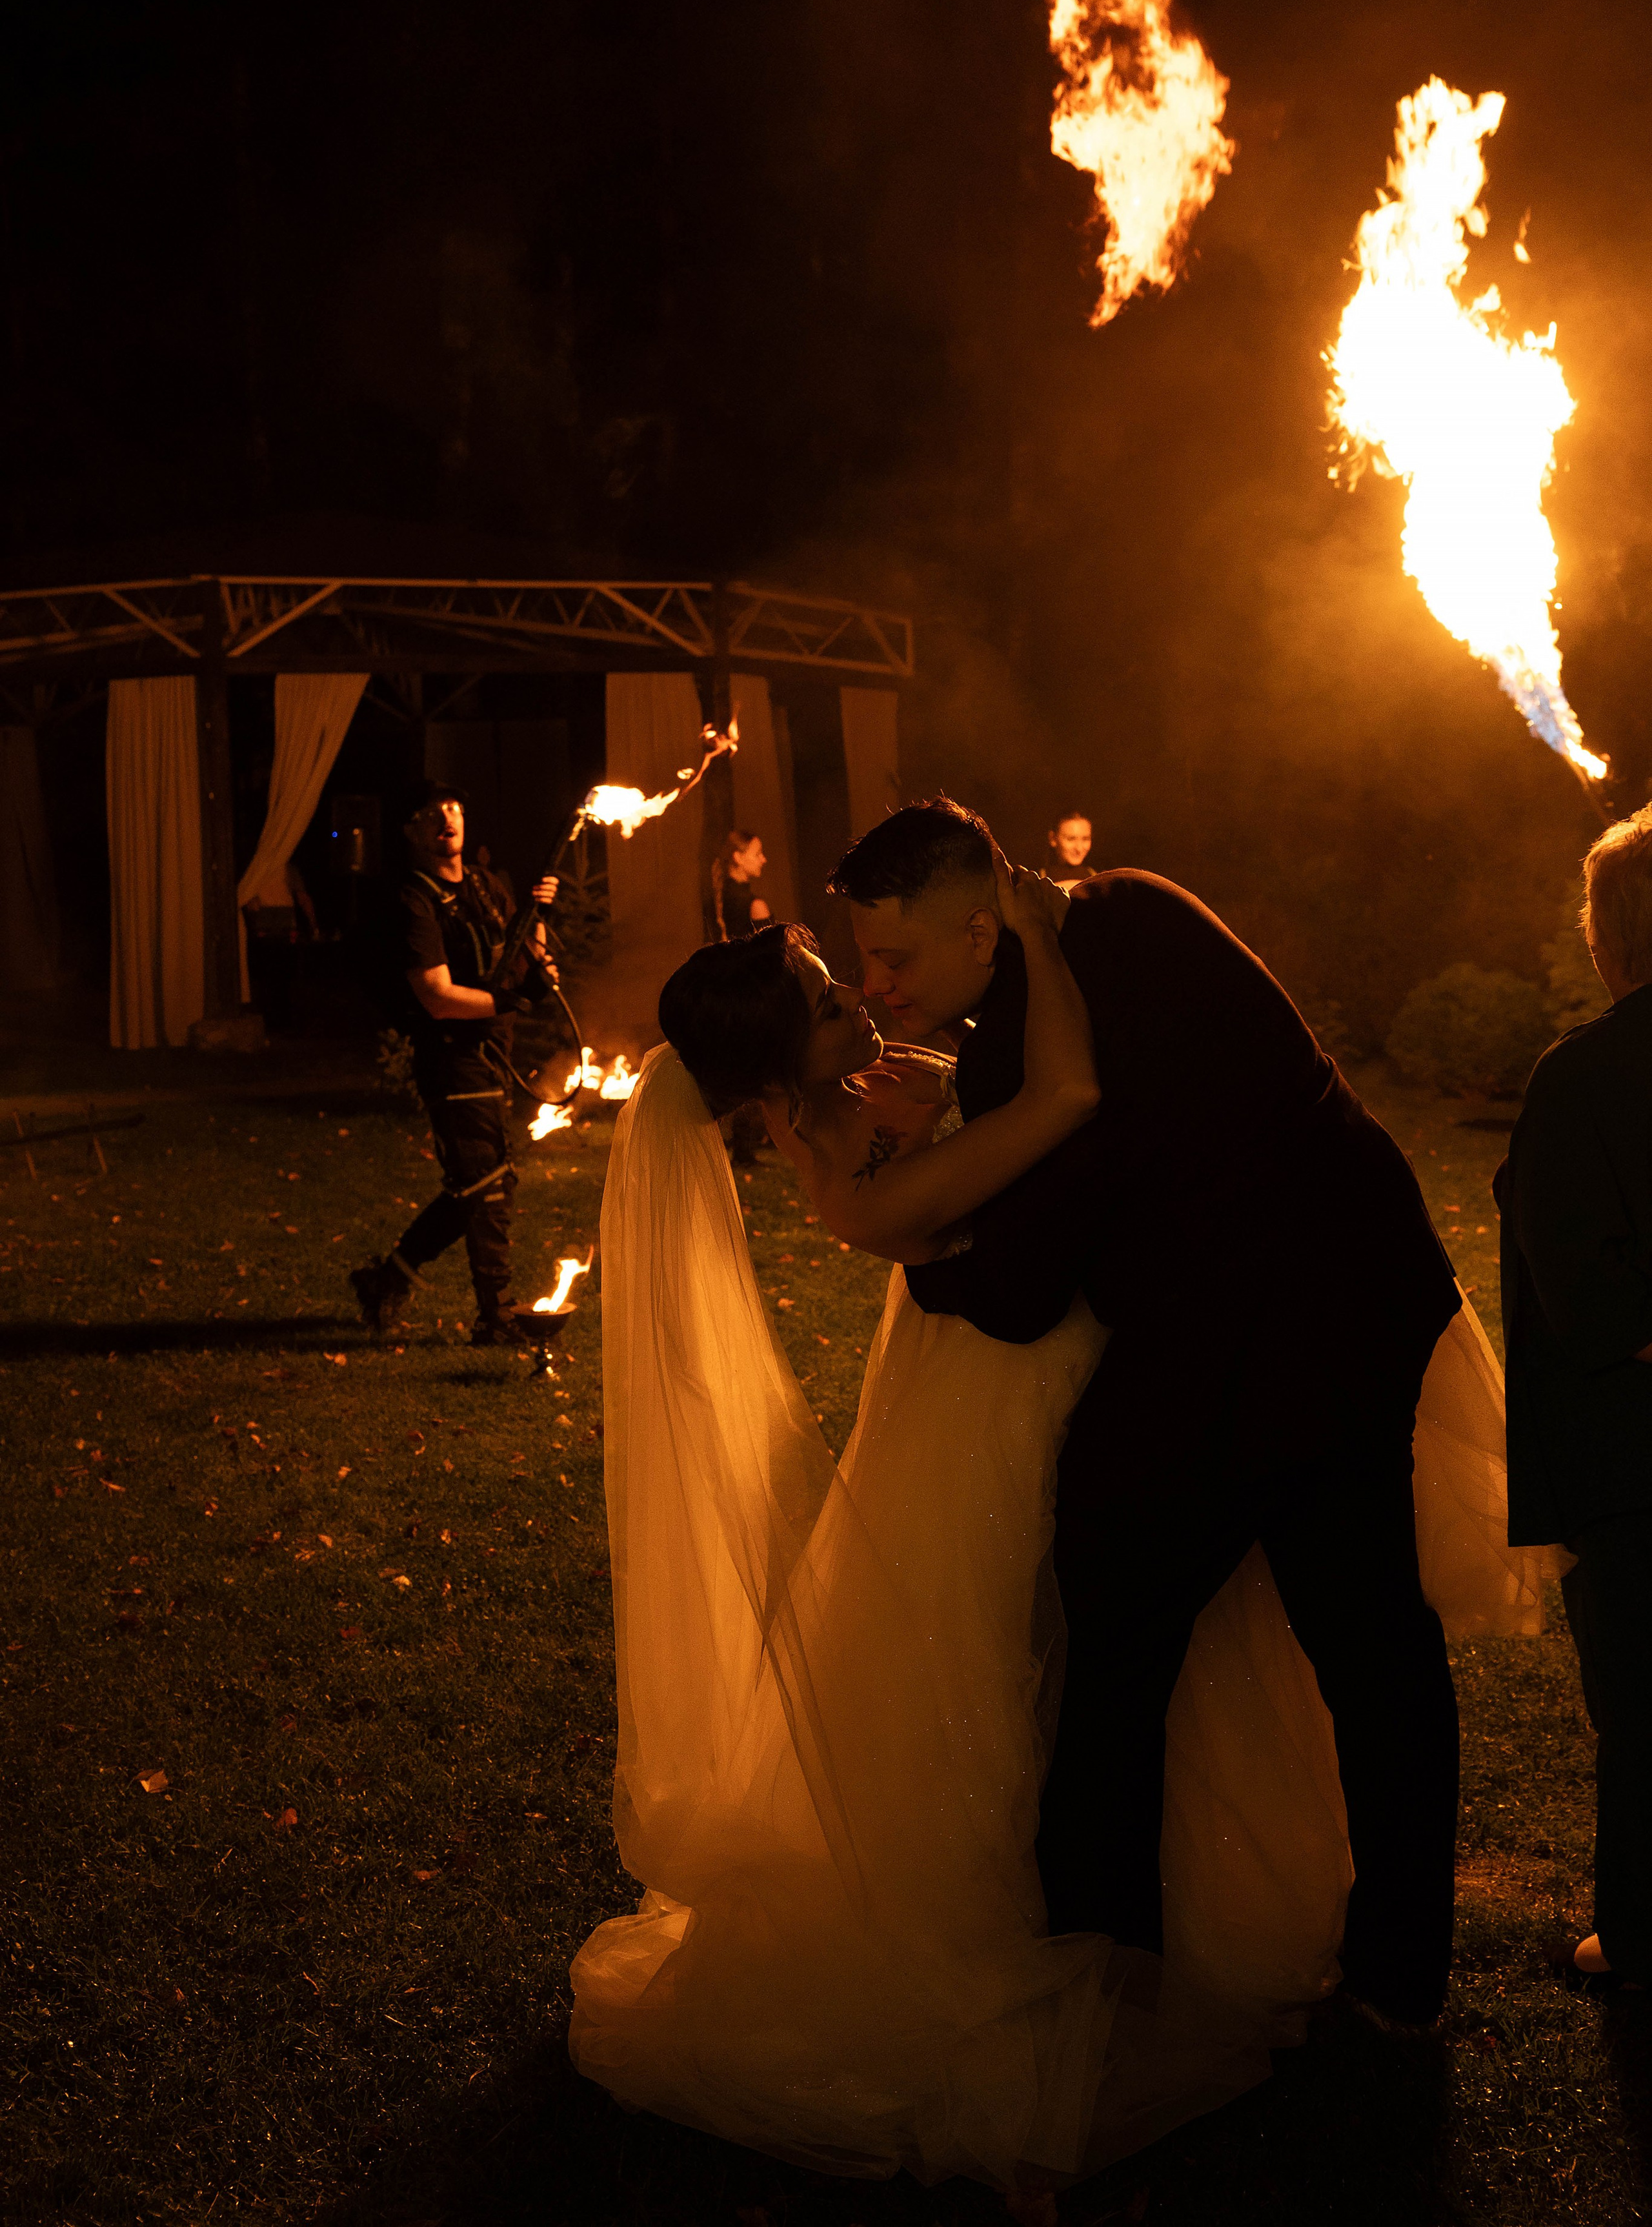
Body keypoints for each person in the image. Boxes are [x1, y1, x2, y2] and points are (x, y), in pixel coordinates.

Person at [569, 887, 1548, 2195]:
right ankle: (1085, 1944)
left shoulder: (883, 1085)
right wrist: (1031, 944)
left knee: (1114, 1652)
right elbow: (1054, 1135)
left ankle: (1159, 1923)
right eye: (829, 995)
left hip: (1090, 1373)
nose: (860, 994)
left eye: (854, 972)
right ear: (778, 1060)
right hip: (1001, 1393)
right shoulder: (852, 1170)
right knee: (1040, 1660)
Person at [832, 798, 1464, 2026]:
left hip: (1231, 1355)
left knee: (1107, 1644)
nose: (876, 987)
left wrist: (902, 1229)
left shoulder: (1026, 1043)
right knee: (1377, 1644)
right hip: (1364, 1293)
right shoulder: (1141, 900)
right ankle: (1401, 1973)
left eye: (894, 957)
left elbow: (1022, 1296)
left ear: (981, 929)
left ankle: (1102, 1974)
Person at [1498, 807, 1652, 1993]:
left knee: (1644, 1703)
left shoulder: (1583, 1078)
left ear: (1610, 937)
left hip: (1632, 1459)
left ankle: (1642, 1938)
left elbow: (1585, 1302)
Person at [350, 781, 559, 1347]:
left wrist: (539, 916)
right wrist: (509, 1002)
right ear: (412, 831)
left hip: (494, 1053)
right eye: (433, 813)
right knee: (487, 1185)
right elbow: (437, 995)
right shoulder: (414, 902)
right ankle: (497, 1316)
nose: (448, 818)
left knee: (478, 1183)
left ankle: (386, 1280)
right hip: (451, 1056)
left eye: (455, 809)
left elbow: (526, 958)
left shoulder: (487, 887)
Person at [243, 856, 317, 1034]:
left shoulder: (284, 868)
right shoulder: (260, 866)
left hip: (279, 926)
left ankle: (280, 1019)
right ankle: (277, 1019)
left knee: (278, 975)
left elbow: (302, 897)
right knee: (275, 976)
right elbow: (248, 898)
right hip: (271, 926)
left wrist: (312, 923)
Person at [711, 828, 772, 940]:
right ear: (738, 857)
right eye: (757, 854)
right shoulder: (755, 906)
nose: (764, 859)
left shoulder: (719, 896)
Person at [1047, 809, 1097, 883]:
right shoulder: (1037, 881)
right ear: (1053, 839)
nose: (1079, 849)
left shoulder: (1098, 880)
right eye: (1071, 839)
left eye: (1085, 839)